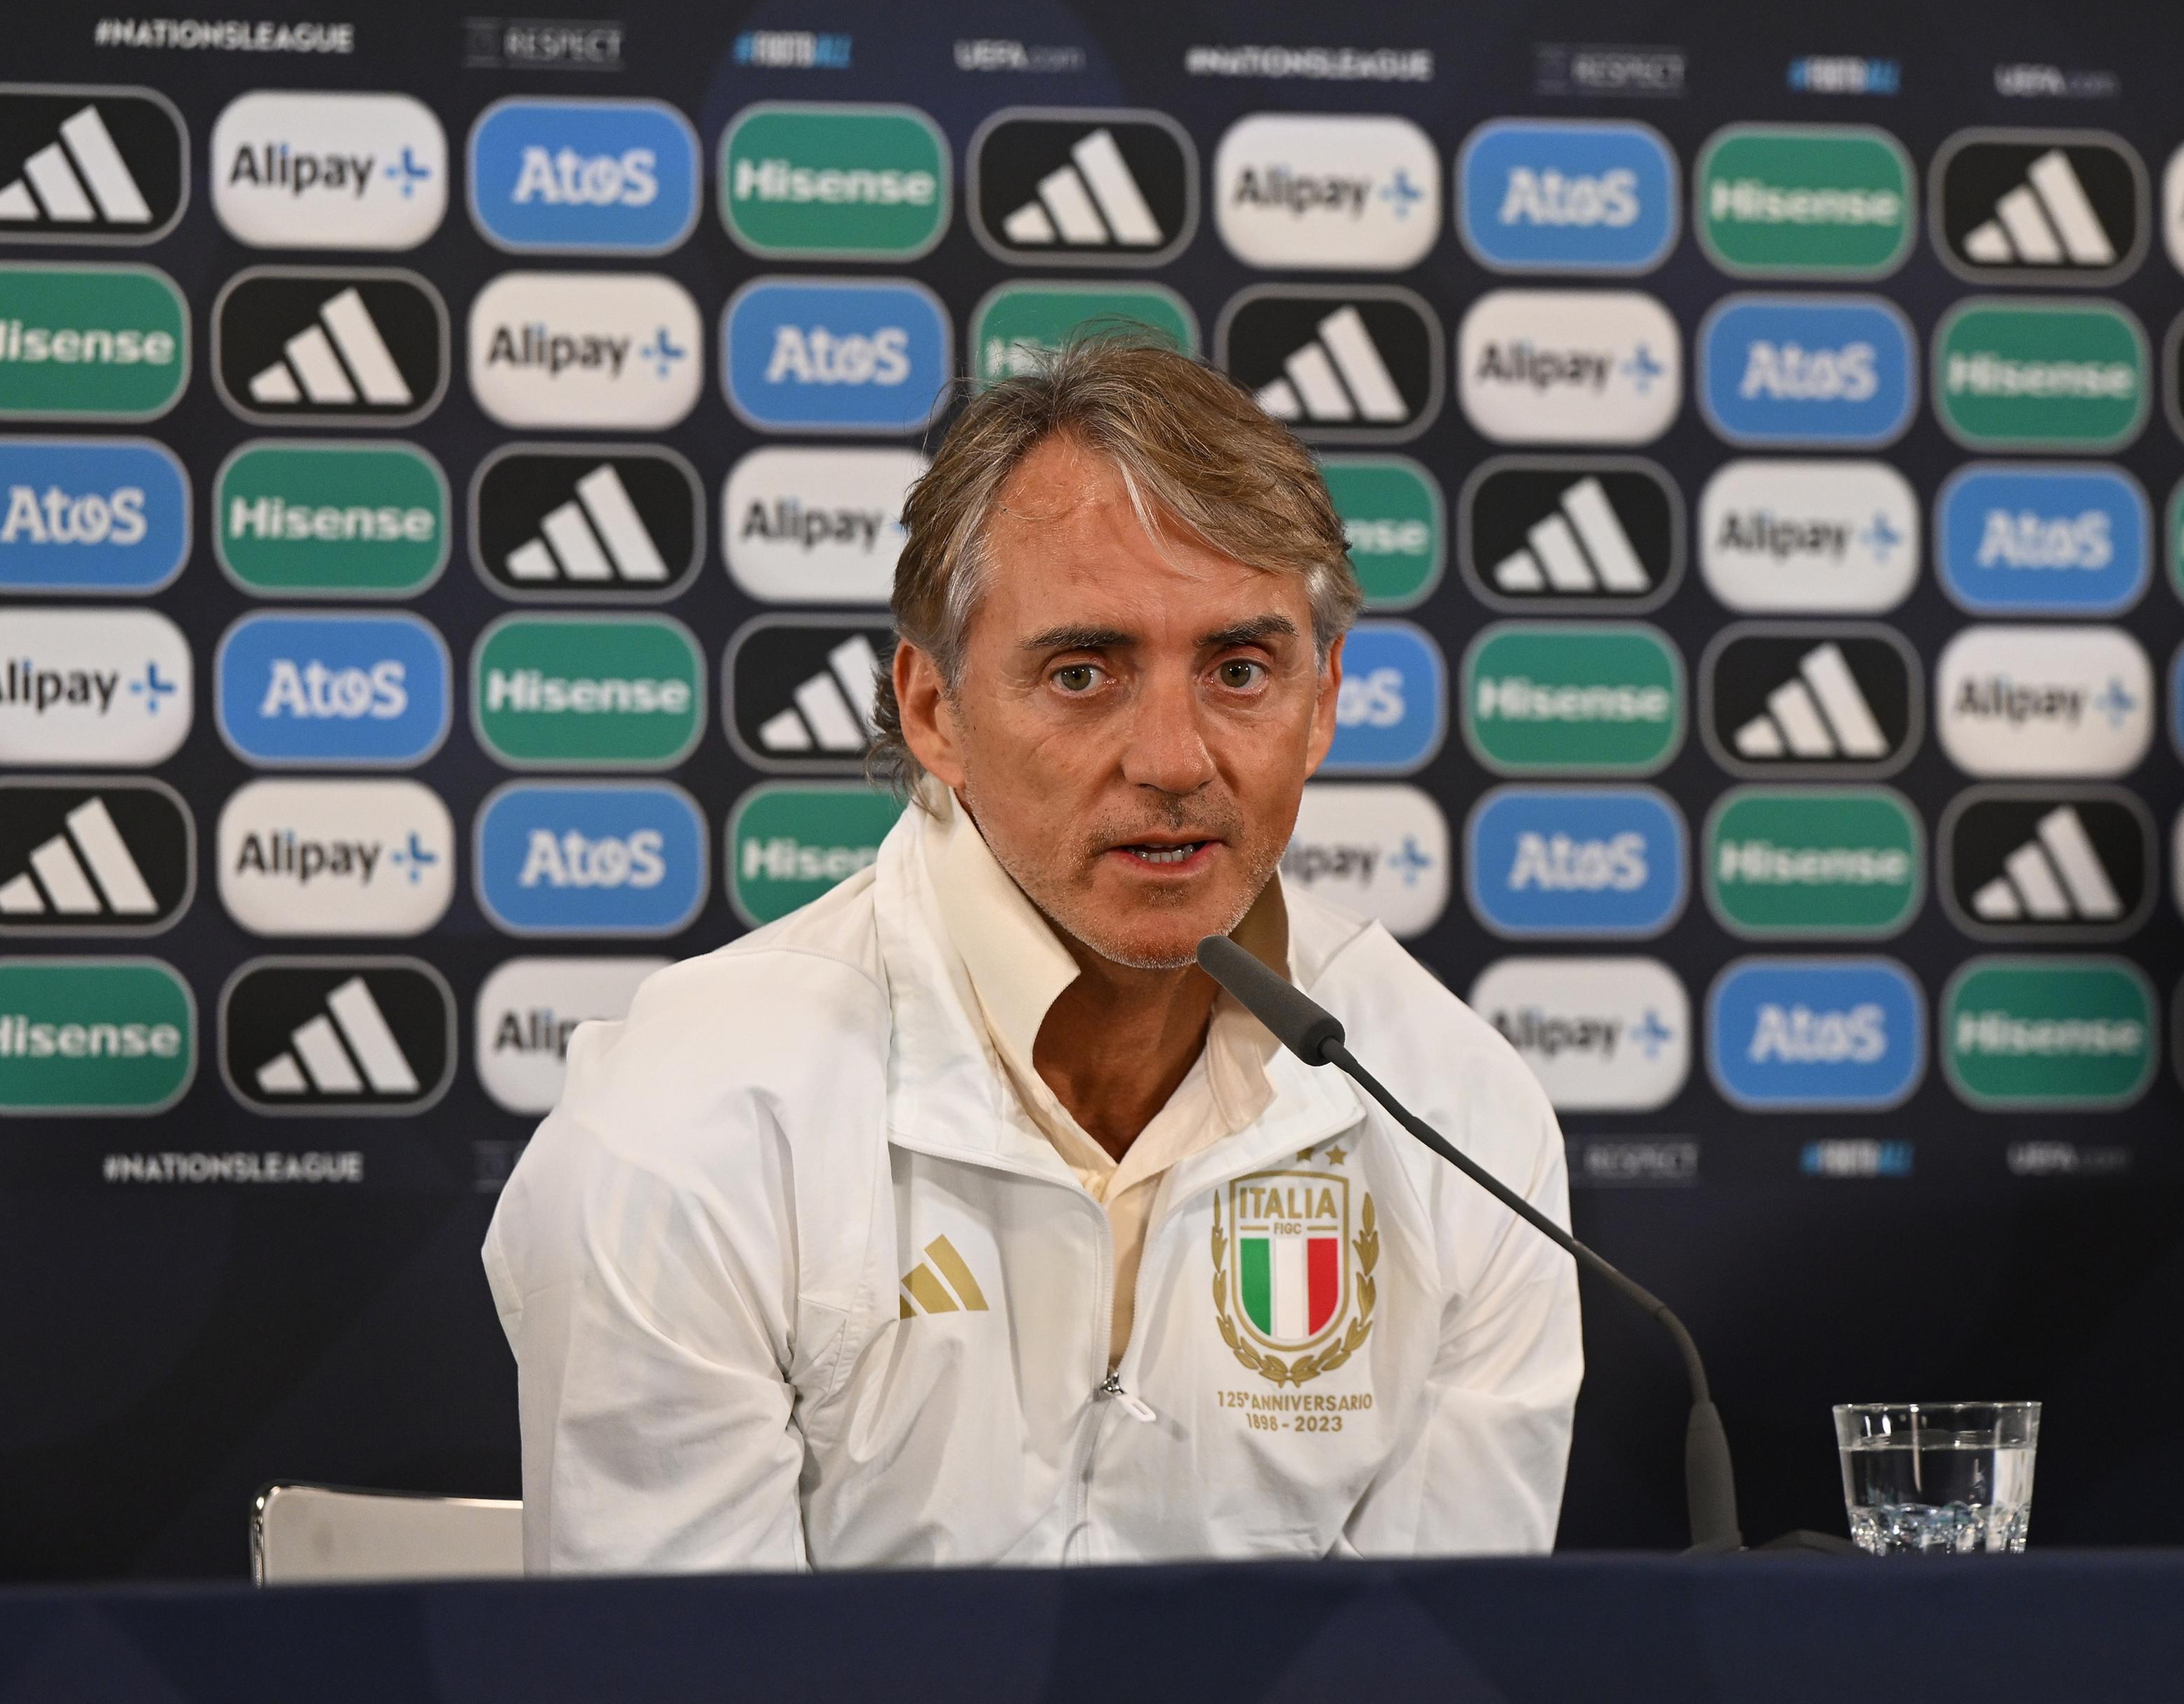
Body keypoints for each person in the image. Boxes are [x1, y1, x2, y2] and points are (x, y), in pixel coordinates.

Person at [482, 337, 1581, 1571]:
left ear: (1321, 702)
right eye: (1082, 672)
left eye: (1237, 669)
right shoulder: (691, 1129)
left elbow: (1439, 1667)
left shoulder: (1457, 1117)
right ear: (934, 709)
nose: (1173, 758)